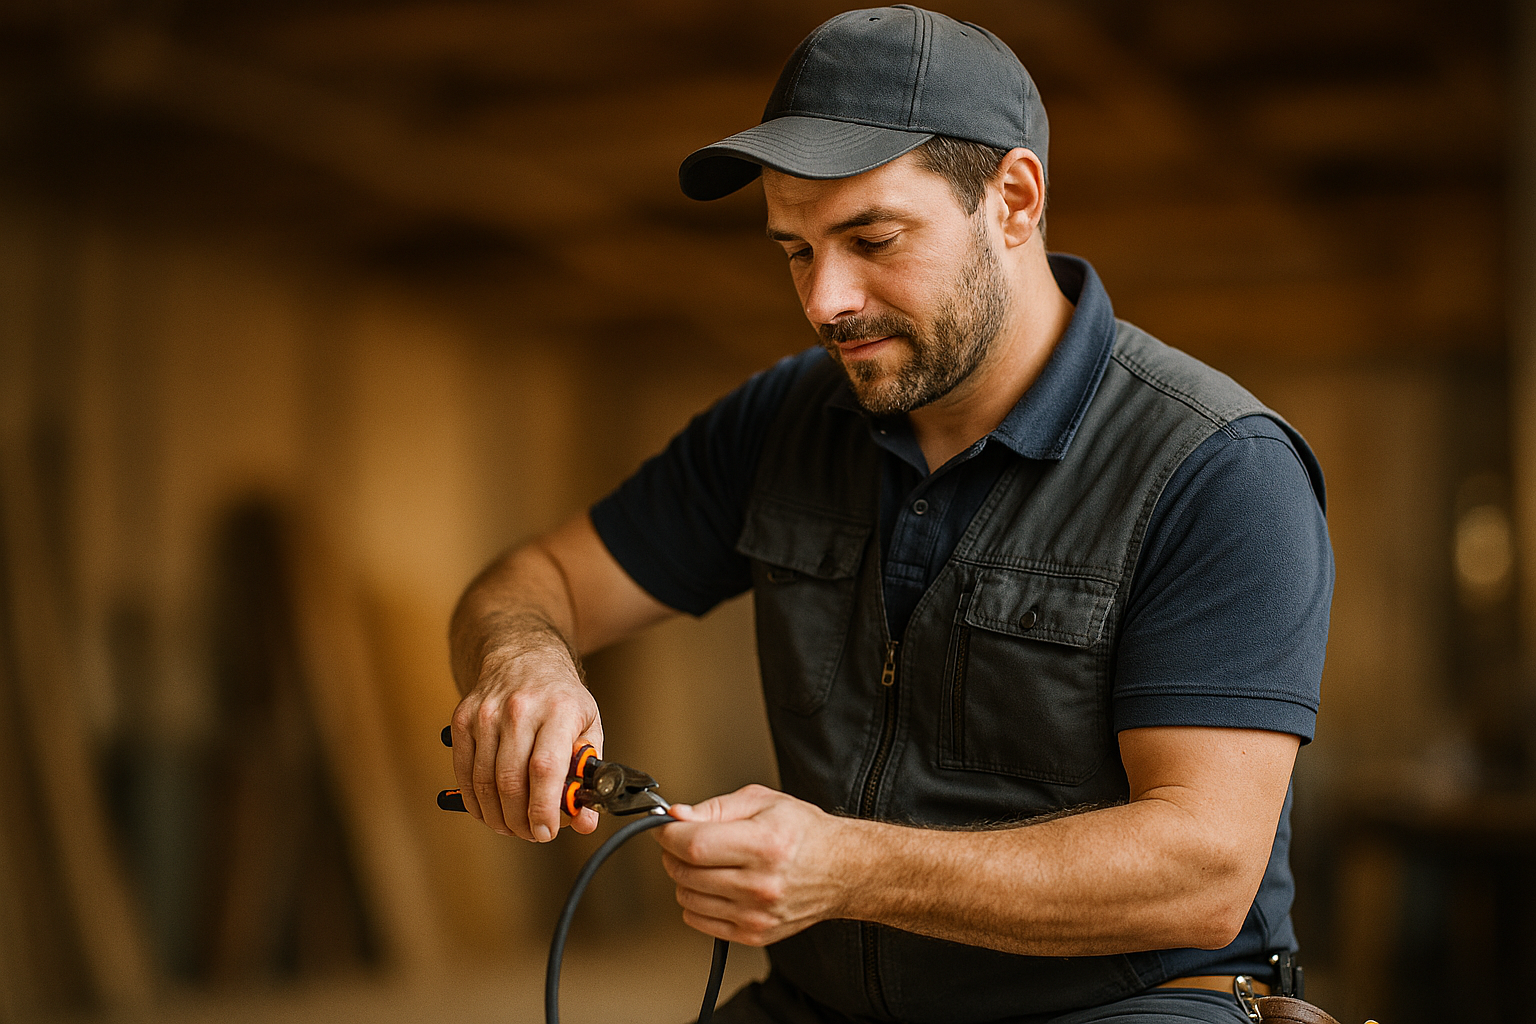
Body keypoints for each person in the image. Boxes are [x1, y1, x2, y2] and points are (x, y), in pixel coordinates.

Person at [446, 7, 1334, 1023]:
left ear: (1013, 198)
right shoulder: (782, 423)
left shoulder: (1216, 466)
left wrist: (848, 866)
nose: (825, 300)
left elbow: (1203, 869)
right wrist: (526, 663)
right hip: (825, 1003)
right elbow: (531, 585)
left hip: (1126, 1007)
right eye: (794, 250)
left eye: (872, 237)